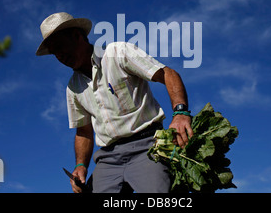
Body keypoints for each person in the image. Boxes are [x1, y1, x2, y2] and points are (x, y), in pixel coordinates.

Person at [36, 12, 193, 193]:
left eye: (61, 47)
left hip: (147, 147)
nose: (60, 56)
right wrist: (81, 165)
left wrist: (180, 113)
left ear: (77, 36)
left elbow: (167, 74)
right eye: (55, 53)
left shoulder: (118, 52)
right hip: (108, 158)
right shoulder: (73, 88)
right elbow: (84, 131)